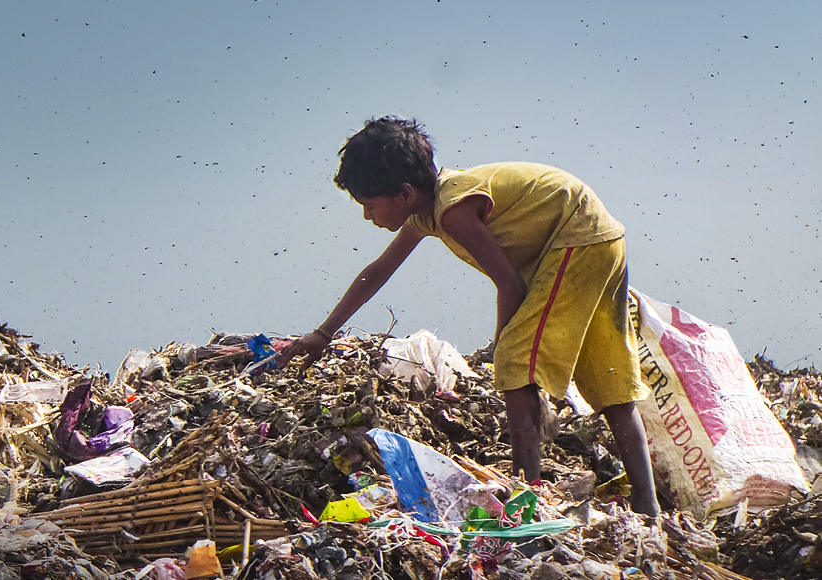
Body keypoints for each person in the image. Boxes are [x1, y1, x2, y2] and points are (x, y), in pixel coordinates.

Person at [278, 116, 660, 517]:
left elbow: (509, 284)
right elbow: (377, 271)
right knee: (608, 376)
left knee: (513, 361)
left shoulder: (453, 210)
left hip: (575, 239)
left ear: (405, 194)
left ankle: (525, 493)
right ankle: (647, 505)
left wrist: (501, 347)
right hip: (597, 239)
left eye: (368, 204)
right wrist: (322, 334)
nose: (367, 216)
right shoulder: (429, 212)